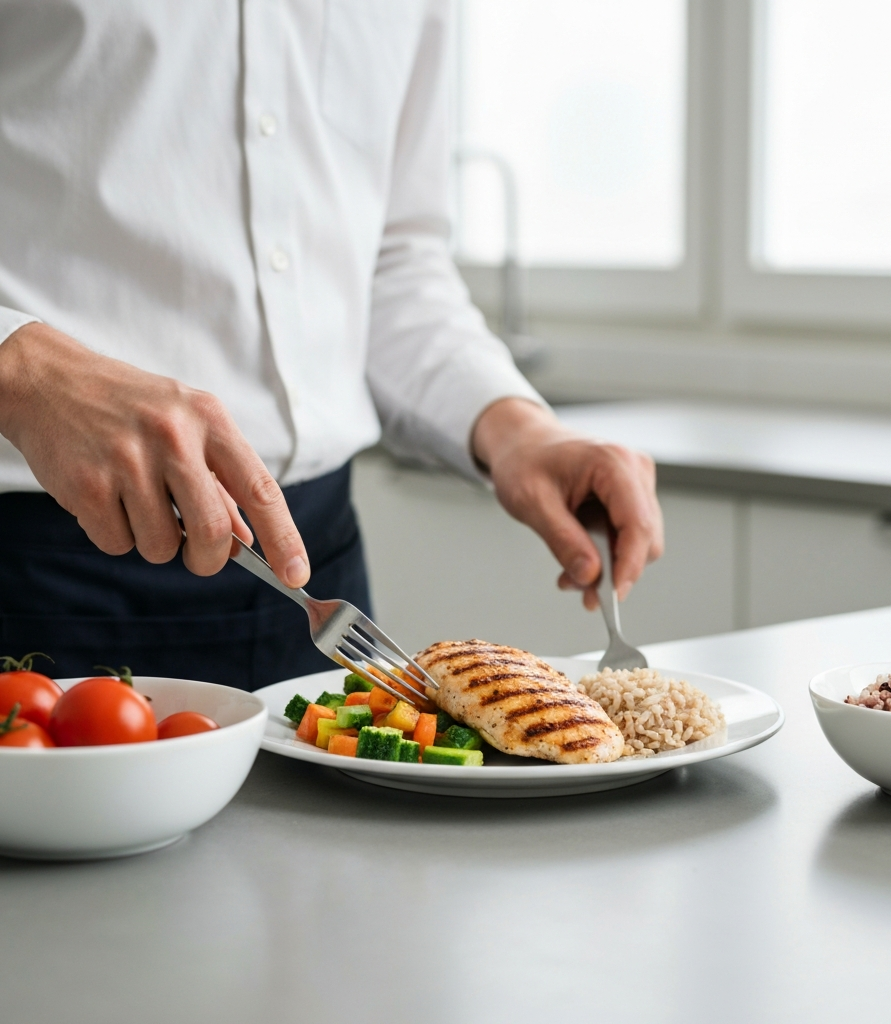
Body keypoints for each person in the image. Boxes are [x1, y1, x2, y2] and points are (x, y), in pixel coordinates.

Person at [0, 2, 663, 690]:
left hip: (315, 586)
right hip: (31, 565)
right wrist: (21, 367)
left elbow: (391, 261)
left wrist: (518, 428)